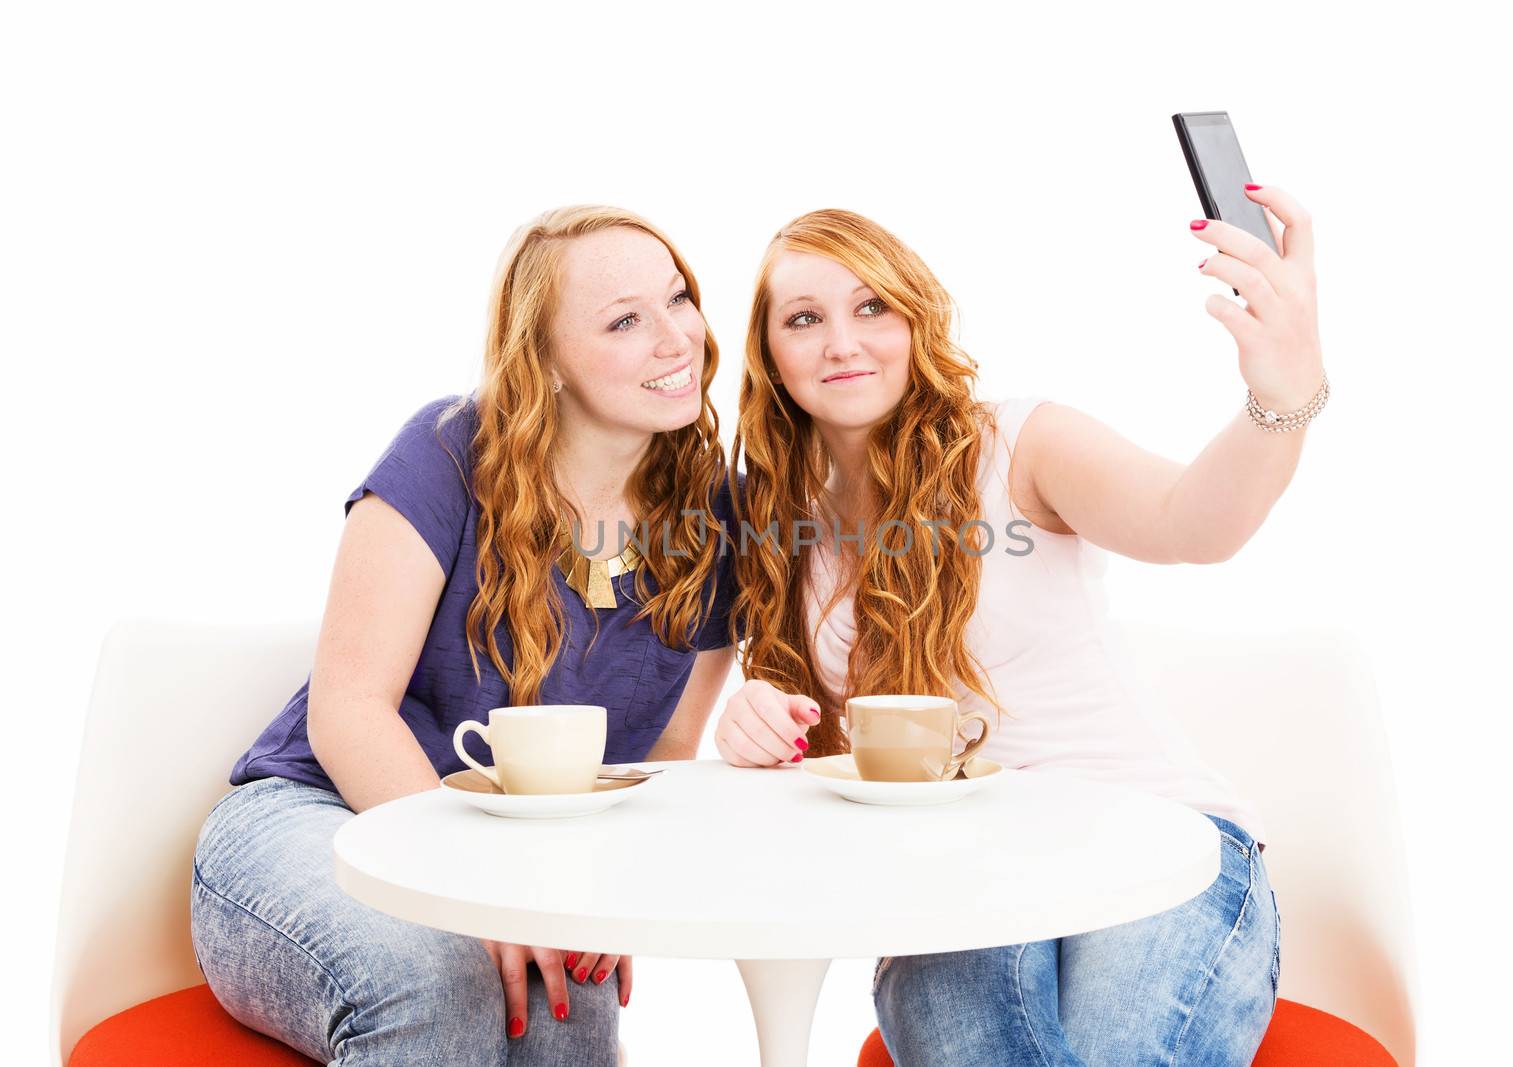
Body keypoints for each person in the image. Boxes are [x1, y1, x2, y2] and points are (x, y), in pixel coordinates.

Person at [715, 195, 1328, 1065]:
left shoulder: (1017, 443)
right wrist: (752, 726)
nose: (841, 342)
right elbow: (832, 777)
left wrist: (1282, 395)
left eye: (871, 307)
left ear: (913, 319)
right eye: (804, 318)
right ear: (770, 356)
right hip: (954, 870)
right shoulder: (780, 531)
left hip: (1150, 838)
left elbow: (1193, 522)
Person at [191, 205, 738, 1066]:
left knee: (573, 1012)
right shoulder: (450, 449)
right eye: (626, 320)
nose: (678, 339)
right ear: (548, 360)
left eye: (680, 299)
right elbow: (350, 711)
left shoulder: (714, 517)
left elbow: (664, 748)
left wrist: (603, 894)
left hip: (509, 863)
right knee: (438, 981)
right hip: (315, 821)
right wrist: (475, 896)